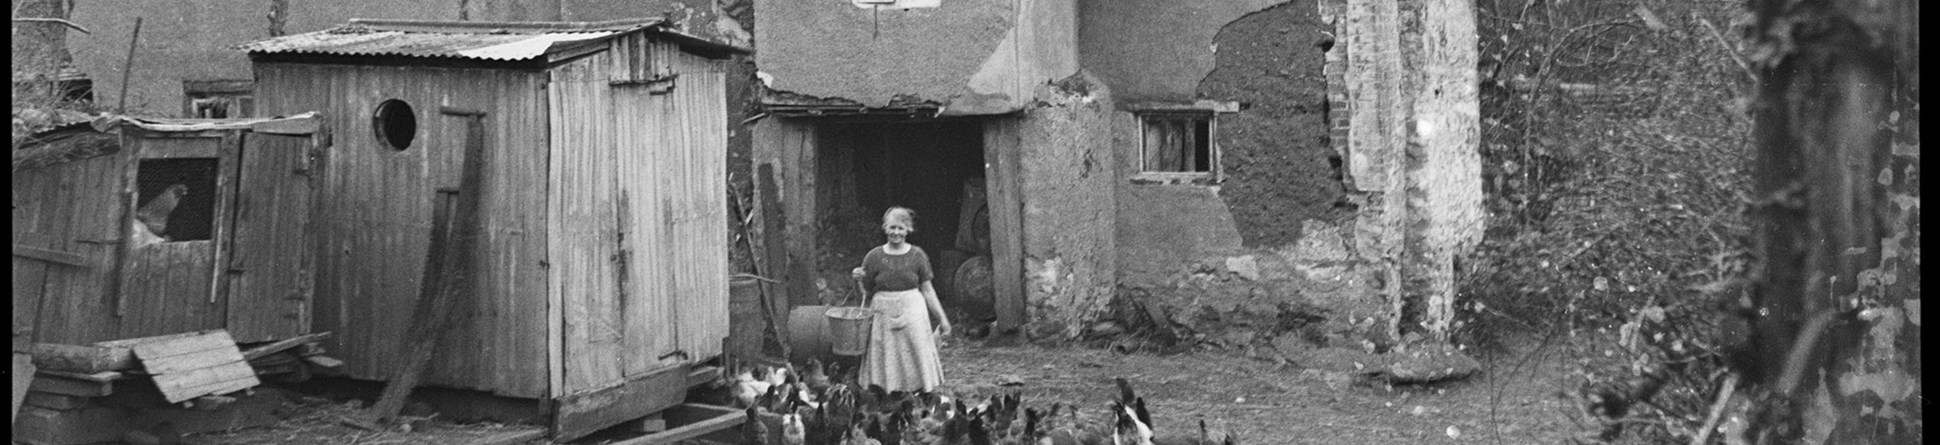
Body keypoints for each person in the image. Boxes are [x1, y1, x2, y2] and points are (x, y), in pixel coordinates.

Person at [849, 207, 952, 392]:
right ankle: (886, 395)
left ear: (908, 230)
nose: (896, 232)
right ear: (885, 228)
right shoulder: (873, 257)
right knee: (887, 356)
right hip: (882, 312)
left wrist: (943, 320)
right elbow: (865, 294)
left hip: (912, 309)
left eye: (900, 228)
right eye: (892, 227)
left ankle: (919, 394)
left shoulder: (918, 256)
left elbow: (928, 290)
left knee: (915, 352)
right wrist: (857, 279)